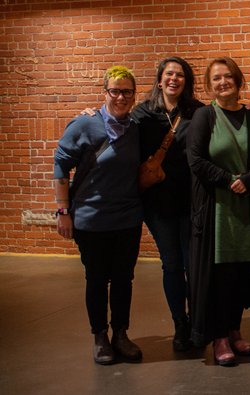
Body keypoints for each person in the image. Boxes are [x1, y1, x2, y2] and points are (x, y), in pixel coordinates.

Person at [187, 57, 250, 366]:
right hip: (215, 208)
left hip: (246, 206)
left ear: (238, 81)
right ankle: (219, 337)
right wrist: (228, 180)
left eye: (227, 76)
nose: (222, 82)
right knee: (219, 274)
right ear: (210, 86)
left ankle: (236, 330)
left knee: (241, 273)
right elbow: (195, 160)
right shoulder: (203, 117)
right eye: (216, 78)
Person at [54, 65, 144, 365]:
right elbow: (60, 168)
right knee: (96, 279)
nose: (120, 96)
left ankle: (120, 334)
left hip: (127, 219)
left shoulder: (135, 128)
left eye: (126, 91)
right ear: (104, 92)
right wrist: (63, 211)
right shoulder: (84, 125)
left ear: (134, 94)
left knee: (123, 279)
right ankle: (100, 337)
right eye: (115, 90)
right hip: (91, 220)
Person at [131, 57, 204, 352]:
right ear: (160, 79)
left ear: (186, 81)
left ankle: (197, 321)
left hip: (191, 201)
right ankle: (180, 324)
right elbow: (117, 131)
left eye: (180, 75)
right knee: (172, 265)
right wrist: (90, 115)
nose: (174, 79)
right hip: (158, 204)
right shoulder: (142, 113)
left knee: (193, 264)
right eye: (169, 74)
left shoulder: (197, 112)